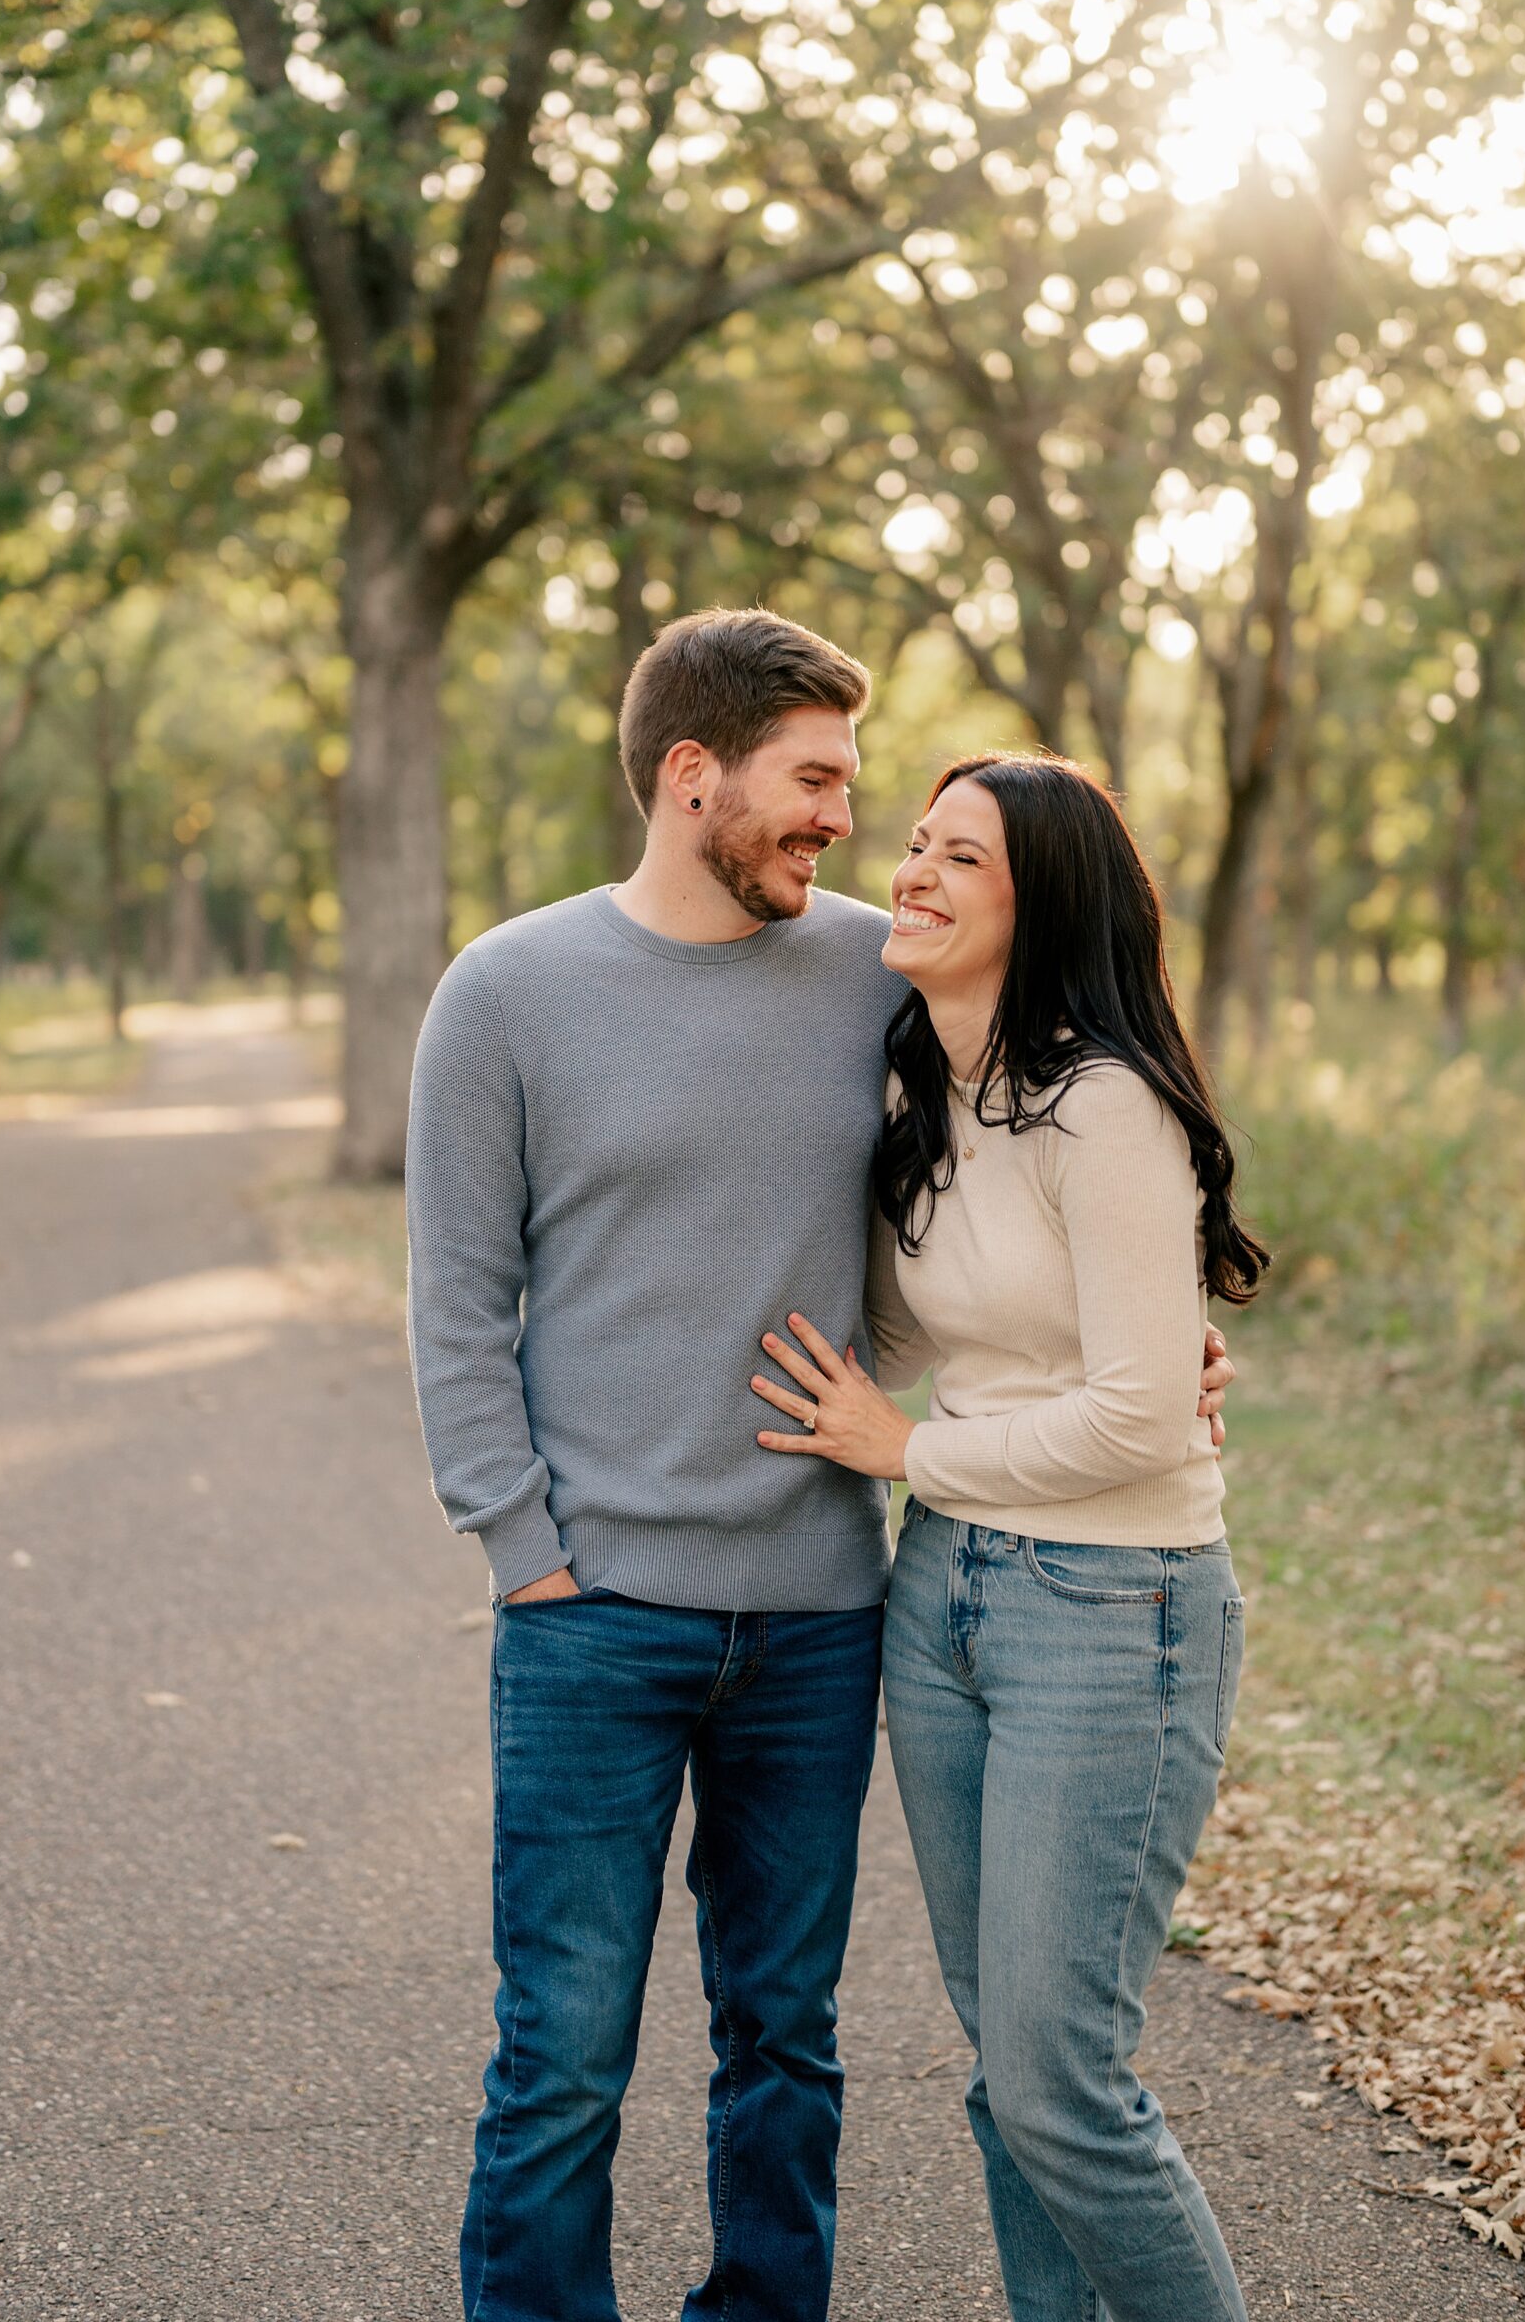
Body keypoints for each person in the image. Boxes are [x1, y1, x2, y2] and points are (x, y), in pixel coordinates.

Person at [405, 617, 1235, 2322]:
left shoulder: (883, 970)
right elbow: (456, 1301)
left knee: (786, 2039)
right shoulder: (505, 991)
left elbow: (1063, 1159)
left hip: (822, 1610)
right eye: (815, 784)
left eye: (861, 793)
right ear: (689, 777)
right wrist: (521, 1549)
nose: (845, 827)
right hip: (592, 1613)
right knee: (559, 2053)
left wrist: (1153, 1352)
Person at [751, 751, 1266, 2322]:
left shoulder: (1103, 1108)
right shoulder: (934, 1093)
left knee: (1063, 2090)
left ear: (1040, 904)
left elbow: (1136, 1420)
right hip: (947, 1597)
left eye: (954, 857)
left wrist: (909, 1454)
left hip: (1112, 1610)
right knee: (1007, 2079)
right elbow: (914, 1339)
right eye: (912, 846)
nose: (906, 872)